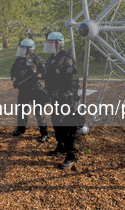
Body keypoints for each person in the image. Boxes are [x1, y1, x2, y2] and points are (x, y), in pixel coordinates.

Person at [42, 32, 82, 170]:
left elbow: (73, 78)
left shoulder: (66, 58)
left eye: (51, 43)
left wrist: (68, 94)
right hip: (54, 98)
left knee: (67, 127)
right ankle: (61, 147)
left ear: (59, 43)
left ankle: (72, 156)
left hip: (65, 99)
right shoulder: (52, 58)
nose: (48, 46)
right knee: (56, 124)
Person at [10, 39, 48, 142]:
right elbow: (13, 71)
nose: (22, 50)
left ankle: (44, 133)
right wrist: (14, 79)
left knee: (39, 112)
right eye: (21, 48)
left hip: (35, 90)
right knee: (22, 110)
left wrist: (38, 75)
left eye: (24, 48)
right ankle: (21, 129)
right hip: (23, 90)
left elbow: (46, 73)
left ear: (30, 49)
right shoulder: (19, 60)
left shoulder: (38, 60)